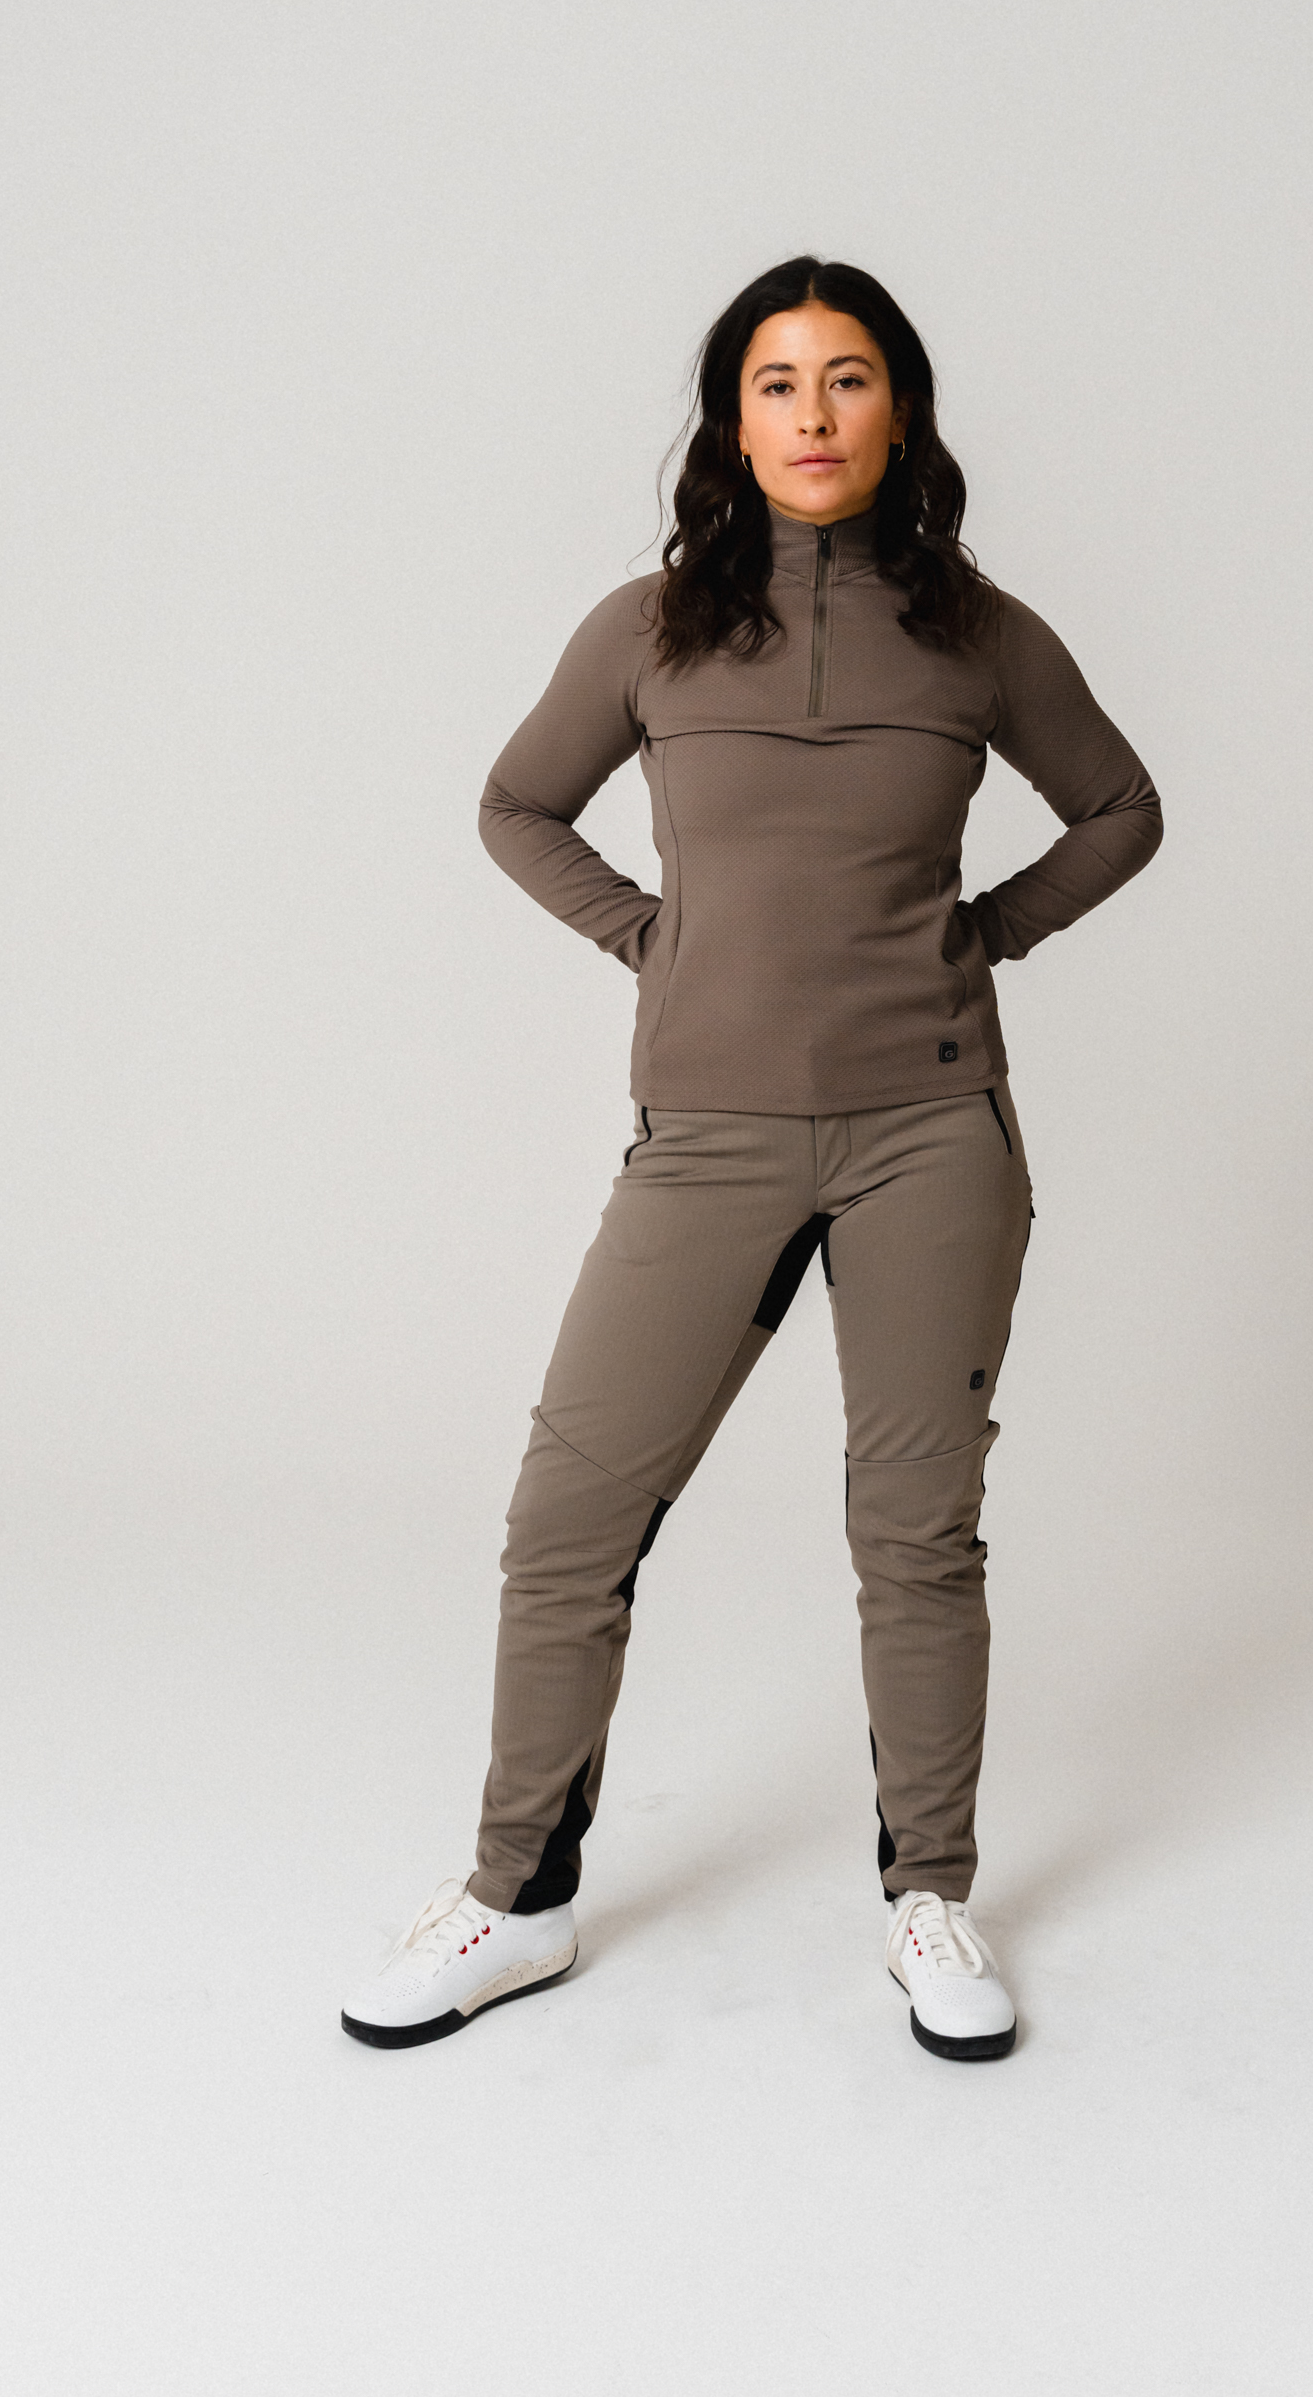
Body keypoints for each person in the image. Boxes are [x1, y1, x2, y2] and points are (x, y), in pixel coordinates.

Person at [341, 255, 1162, 2061]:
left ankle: (930, 1897)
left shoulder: (979, 633)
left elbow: (1122, 808)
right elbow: (516, 803)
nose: (812, 414)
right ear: (732, 419)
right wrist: (657, 942)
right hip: (708, 1137)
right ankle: (515, 1901)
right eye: (777, 383)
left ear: (900, 411)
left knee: (916, 1534)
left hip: (932, 1134)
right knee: (569, 1520)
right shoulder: (649, 628)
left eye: (847, 378)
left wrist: (986, 938)